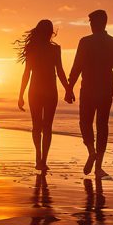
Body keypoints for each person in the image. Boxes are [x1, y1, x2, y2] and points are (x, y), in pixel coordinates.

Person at [65, 10, 113, 177]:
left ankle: (92, 152)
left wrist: (70, 87)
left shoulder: (85, 42)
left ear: (99, 23)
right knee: (102, 126)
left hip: (89, 88)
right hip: (106, 88)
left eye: (92, 23)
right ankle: (98, 166)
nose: (91, 26)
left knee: (85, 123)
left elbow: (77, 66)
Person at [16, 19, 69, 172]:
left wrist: (20, 95)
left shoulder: (32, 48)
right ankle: (42, 159)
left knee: (37, 126)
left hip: (36, 91)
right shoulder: (53, 49)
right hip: (49, 90)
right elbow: (59, 72)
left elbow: (27, 73)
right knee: (46, 127)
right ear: (49, 32)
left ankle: (39, 158)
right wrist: (67, 89)